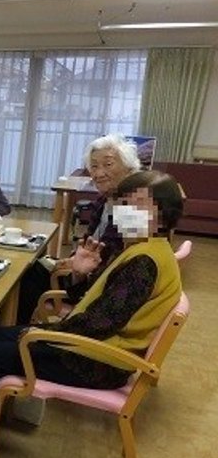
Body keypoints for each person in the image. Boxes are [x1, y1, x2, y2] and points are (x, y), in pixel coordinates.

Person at [0, 170, 183, 458]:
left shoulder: (144, 261)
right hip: (95, 346)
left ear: (163, 216)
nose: (127, 212)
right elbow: (100, 306)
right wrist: (79, 274)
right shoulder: (144, 249)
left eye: (139, 207)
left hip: (99, 360)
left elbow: (99, 324)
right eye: (124, 204)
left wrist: (42, 334)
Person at [16, 134, 141, 324]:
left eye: (108, 164)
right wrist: (73, 258)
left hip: (95, 288)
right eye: (94, 166)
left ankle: (19, 329)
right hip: (84, 270)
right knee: (33, 267)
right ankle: (19, 326)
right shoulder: (104, 201)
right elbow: (89, 243)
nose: (98, 173)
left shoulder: (133, 209)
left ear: (129, 168)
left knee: (27, 275)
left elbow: (116, 263)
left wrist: (76, 268)